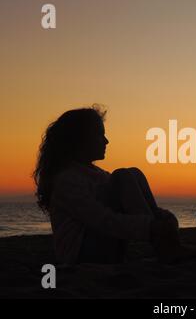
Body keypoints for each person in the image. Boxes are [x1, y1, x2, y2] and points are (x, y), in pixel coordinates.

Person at [33, 106, 185, 265]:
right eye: (100, 135)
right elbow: (103, 220)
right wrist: (150, 227)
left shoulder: (97, 174)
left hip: (104, 246)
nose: (106, 141)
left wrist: (162, 218)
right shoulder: (67, 180)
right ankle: (163, 244)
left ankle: (164, 242)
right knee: (123, 175)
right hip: (80, 254)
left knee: (132, 173)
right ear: (80, 139)